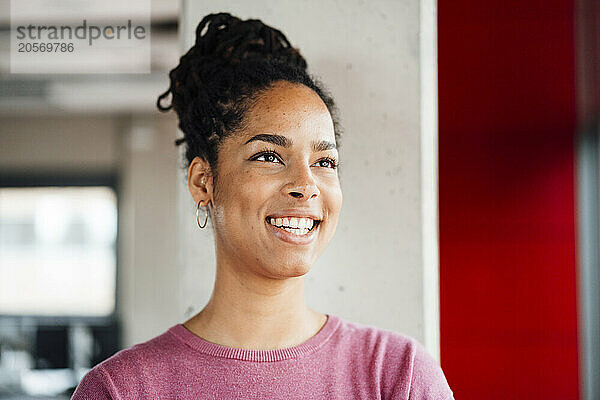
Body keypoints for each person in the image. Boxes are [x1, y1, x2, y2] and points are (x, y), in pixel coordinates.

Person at [71, 13, 454, 400]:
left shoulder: (399, 376)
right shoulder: (122, 389)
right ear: (203, 181)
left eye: (324, 162)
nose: (305, 186)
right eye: (269, 156)